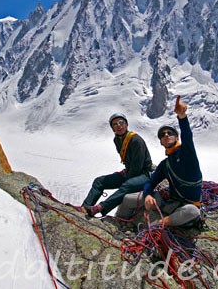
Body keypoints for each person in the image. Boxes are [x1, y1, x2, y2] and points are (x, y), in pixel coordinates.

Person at [116, 96, 202, 227]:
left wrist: (182, 117)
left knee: (192, 211)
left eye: (169, 133)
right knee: (127, 199)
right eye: (162, 135)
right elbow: (151, 182)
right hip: (167, 202)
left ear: (176, 137)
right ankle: (118, 224)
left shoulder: (187, 153)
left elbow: (188, 136)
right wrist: (148, 195)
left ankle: (162, 223)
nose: (166, 135)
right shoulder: (165, 164)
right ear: (161, 142)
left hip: (186, 206)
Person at [78, 113, 153, 217]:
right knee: (99, 181)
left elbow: (137, 166)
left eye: (121, 122)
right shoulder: (117, 140)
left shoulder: (136, 140)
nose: (118, 125)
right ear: (112, 128)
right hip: (130, 172)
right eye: (115, 124)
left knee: (128, 185)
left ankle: (100, 208)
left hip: (145, 174)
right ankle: (85, 208)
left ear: (126, 125)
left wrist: (126, 178)